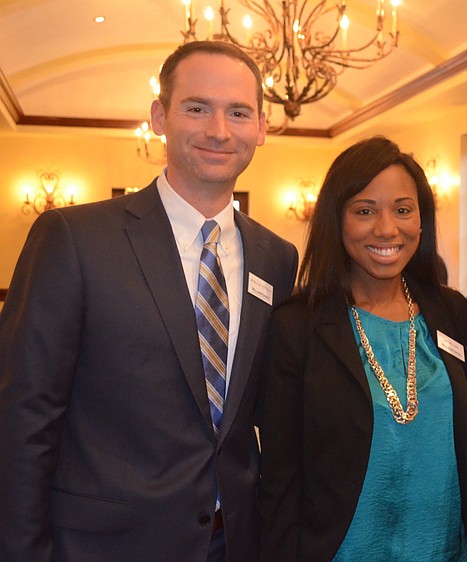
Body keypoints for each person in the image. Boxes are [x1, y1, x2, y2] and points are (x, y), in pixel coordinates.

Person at [0, 40, 298, 562]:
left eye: (238, 113)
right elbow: (24, 416)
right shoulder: (74, 238)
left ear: (262, 127)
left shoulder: (276, 257)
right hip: (104, 545)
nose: (219, 130)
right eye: (197, 107)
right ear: (160, 116)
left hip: (237, 542)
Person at [258, 136, 467, 561]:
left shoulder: (453, 313)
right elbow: (279, 478)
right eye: (365, 211)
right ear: (336, 221)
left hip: (443, 550)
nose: (387, 229)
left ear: (422, 221)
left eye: (403, 210)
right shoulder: (296, 326)